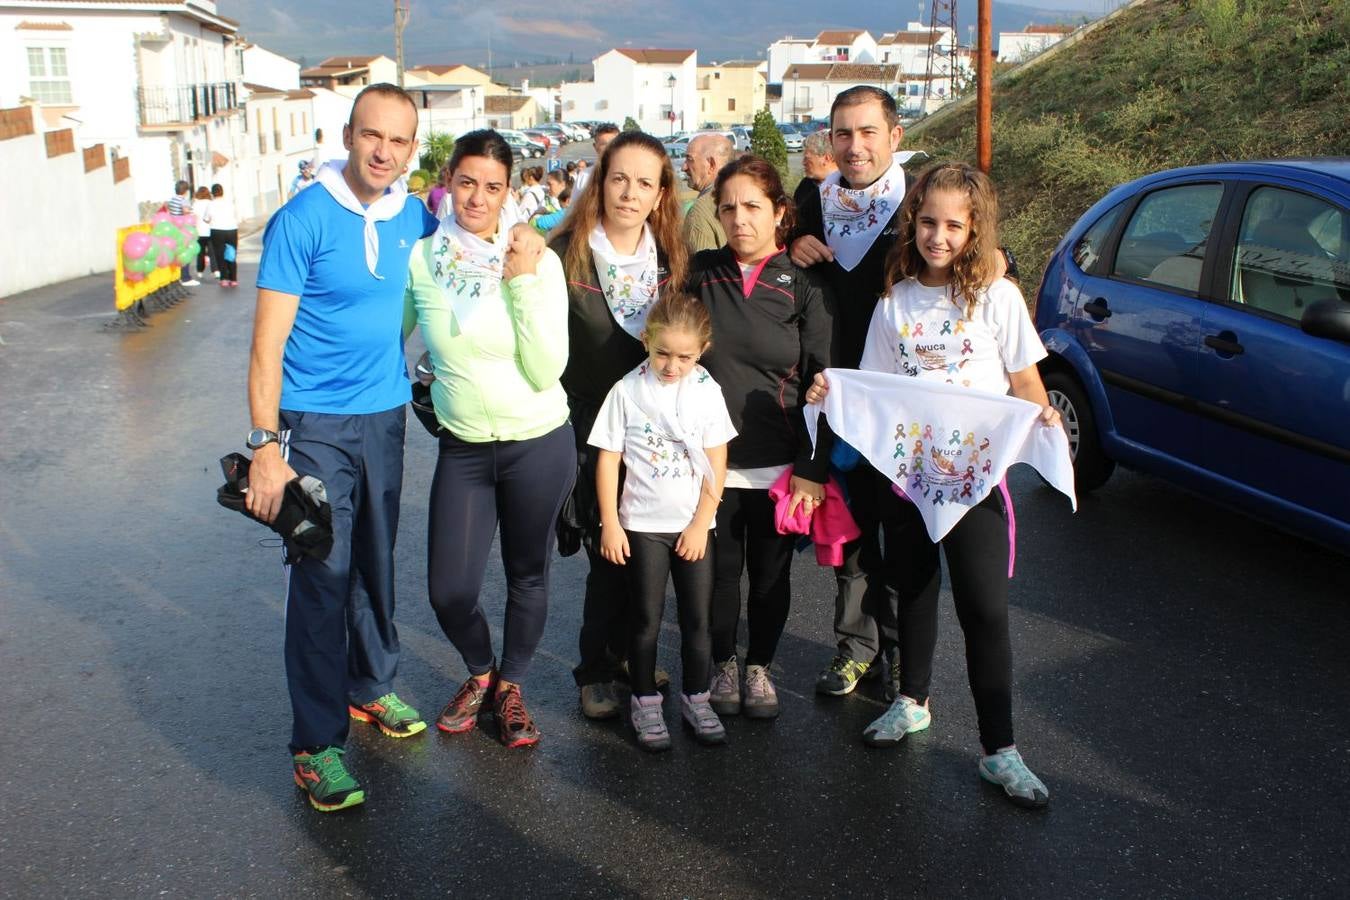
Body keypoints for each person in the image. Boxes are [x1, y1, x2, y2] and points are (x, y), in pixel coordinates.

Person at [805, 161, 1059, 808]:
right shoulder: (894, 303)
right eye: (926, 222)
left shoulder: (997, 297)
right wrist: (829, 390)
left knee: (985, 612)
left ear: (975, 229)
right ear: (911, 223)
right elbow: (873, 387)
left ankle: (999, 750)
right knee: (911, 591)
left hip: (975, 485)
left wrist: (1043, 413)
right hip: (910, 482)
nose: (937, 236)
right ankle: (911, 701)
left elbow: (1026, 384)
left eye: (953, 224)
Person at [247, 83, 439, 813]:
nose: (383, 152)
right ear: (348, 134)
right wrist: (267, 447)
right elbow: (265, 347)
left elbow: (472, 251)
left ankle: (372, 688)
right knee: (322, 576)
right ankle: (316, 746)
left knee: (374, 562)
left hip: (385, 417)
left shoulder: (414, 216)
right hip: (316, 424)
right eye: (371, 136)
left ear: (413, 149)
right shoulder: (301, 220)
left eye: (398, 141)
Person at [404, 129, 575, 750]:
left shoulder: (536, 258)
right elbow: (388, 337)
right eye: (467, 181)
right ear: (449, 180)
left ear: (509, 192)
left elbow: (546, 368)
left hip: (538, 442)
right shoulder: (422, 260)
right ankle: (481, 672)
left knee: (527, 576)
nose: (477, 198)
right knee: (449, 589)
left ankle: (511, 689)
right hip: (465, 448)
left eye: (493, 186)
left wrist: (524, 280)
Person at [689, 155, 836, 719]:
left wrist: (813, 467)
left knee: (771, 577)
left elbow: (827, 384)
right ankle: (724, 663)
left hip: (781, 464)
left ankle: (759, 669)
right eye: (728, 208)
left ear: (779, 213)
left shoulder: (804, 285)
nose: (740, 219)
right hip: (711, 463)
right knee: (722, 574)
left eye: (752, 206)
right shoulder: (700, 273)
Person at [549, 130, 689, 719]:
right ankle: (596, 667)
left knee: (650, 551)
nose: (629, 193)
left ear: (660, 195)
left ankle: (634, 652)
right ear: (599, 184)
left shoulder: (672, 260)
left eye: (644, 183)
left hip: (654, 431)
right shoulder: (564, 256)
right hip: (587, 427)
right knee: (610, 552)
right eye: (619, 179)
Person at [589, 293, 736, 751]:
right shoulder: (627, 391)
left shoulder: (707, 390)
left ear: (702, 350)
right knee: (645, 618)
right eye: (662, 353)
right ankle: (645, 701)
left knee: (698, 619)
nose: (672, 365)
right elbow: (609, 459)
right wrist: (610, 523)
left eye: (685, 356)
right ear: (646, 341)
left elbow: (718, 459)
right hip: (642, 525)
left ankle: (698, 696)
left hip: (693, 527)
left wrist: (701, 523)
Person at [680, 133, 733, 253]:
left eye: (690, 159)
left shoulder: (699, 212)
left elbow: (700, 269)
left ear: (711, 165)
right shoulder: (743, 199)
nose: (684, 167)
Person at [205, 183, 239, 288]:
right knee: (231, 254)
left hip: (217, 230)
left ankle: (224, 279)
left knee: (220, 254)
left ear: (212, 193)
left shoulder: (211, 204)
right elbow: (236, 215)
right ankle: (233, 279)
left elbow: (206, 219)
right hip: (231, 230)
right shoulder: (230, 203)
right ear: (222, 192)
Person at [570, 123, 618, 198]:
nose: (609, 148)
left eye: (614, 143)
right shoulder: (584, 177)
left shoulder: (629, 175)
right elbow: (574, 206)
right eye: (604, 144)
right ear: (595, 147)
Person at [794, 131, 836, 213]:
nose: (803, 162)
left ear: (827, 158)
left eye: (807, 159)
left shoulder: (849, 187)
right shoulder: (805, 186)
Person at [168, 180, 200, 286]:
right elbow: (185, 212)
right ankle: (185, 277)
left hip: (174, 229)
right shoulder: (184, 200)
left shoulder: (172, 200)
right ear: (185, 191)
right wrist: (191, 215)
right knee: (186, 252)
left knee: (178, 253)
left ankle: (180, 276)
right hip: (183, 230)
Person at [192, 186, 213, 280]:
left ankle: (200, 271)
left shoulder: (195, 204)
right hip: (209, 230)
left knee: (200, 252)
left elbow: (192, 217)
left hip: (199, 231)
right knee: (212, 251)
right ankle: (215, 270)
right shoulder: (210, 203)